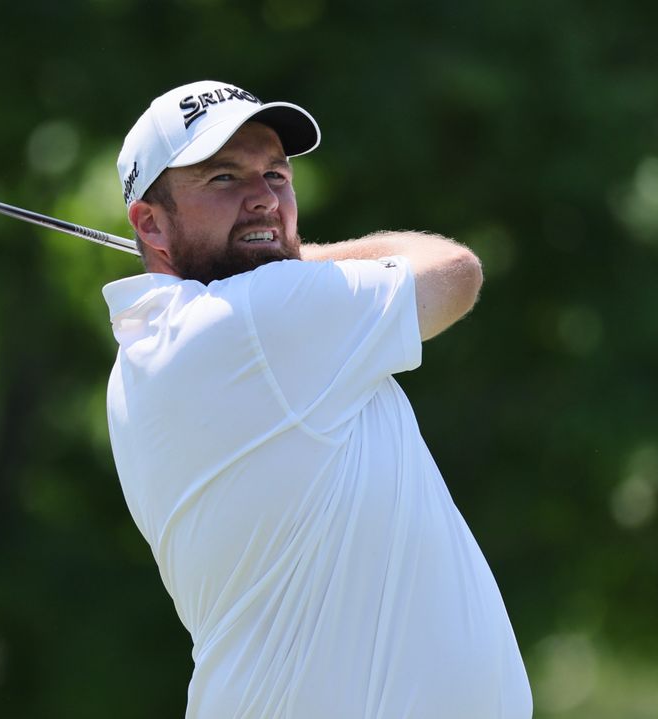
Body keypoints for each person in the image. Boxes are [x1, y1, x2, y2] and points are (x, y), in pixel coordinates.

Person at [103, 80, 532, 719]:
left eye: (275, 174)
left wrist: (276, 261)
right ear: (152, 225)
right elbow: (453, 272)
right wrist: (292, 262)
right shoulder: (253, 324)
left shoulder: (157, 348)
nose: (263, 200)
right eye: (223, 179)